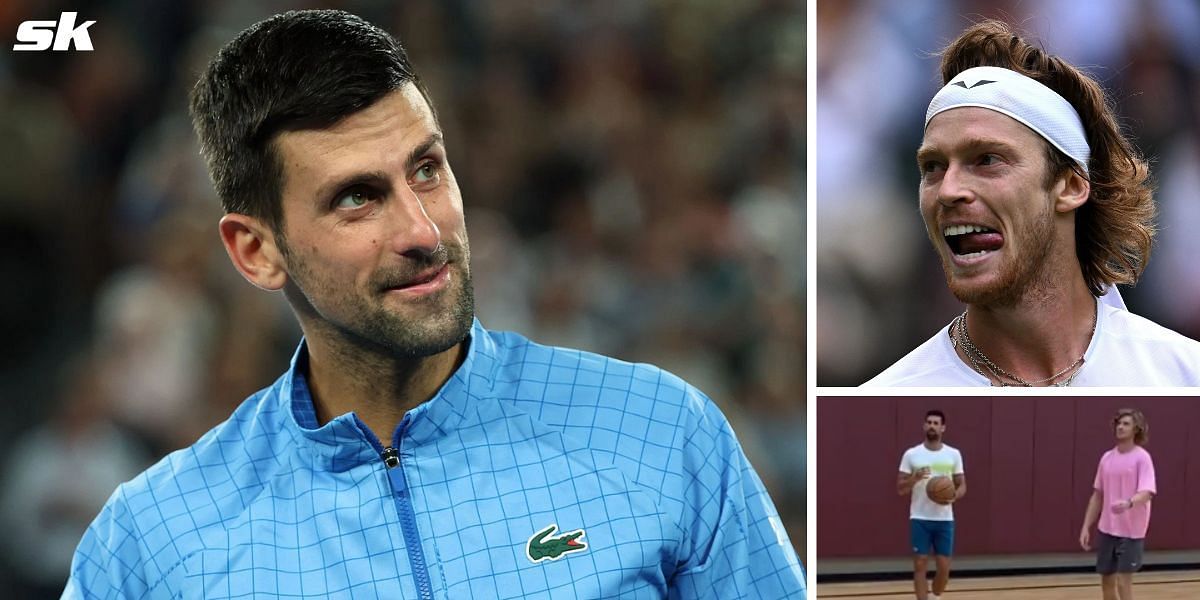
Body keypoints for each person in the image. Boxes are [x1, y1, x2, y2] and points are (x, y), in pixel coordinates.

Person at [62, 10, 805, 599]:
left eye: (427, 169)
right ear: (257, 251)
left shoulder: (659, 432)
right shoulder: (153, 543)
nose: (422, 230)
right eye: (357, 198)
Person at [864, 20, 1200, 387]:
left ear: (1070, 186)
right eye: (933, 167)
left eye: (987, 160)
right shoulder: (882, 405)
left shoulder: (1184, 377)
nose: (947, 190)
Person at [1080, 408, 1156, 600]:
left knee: (1123, 582)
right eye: (1119, 423)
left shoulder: (1142, 458)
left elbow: (1147, 493)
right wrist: (1086, 527)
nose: (1120, 427)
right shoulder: (1106, 458)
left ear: (1136, 429)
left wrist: (1129, 503)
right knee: (1107, 581)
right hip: (1107, 530)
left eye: (1126, 424)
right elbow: (1097, 496)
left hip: (1131, 532)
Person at [897, 410, 965, 600]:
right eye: (929, 422)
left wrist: (954, 495)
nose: (932, 426)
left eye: (936, 423)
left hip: (944, 518)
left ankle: (935, 595)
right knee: (919, 564)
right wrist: (914, 478)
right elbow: (900, 488)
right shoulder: (912, 454)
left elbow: (962, 484)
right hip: (919, 517)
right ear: (924, 426)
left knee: (943, 567)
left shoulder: (953, 454)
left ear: (943, 428)